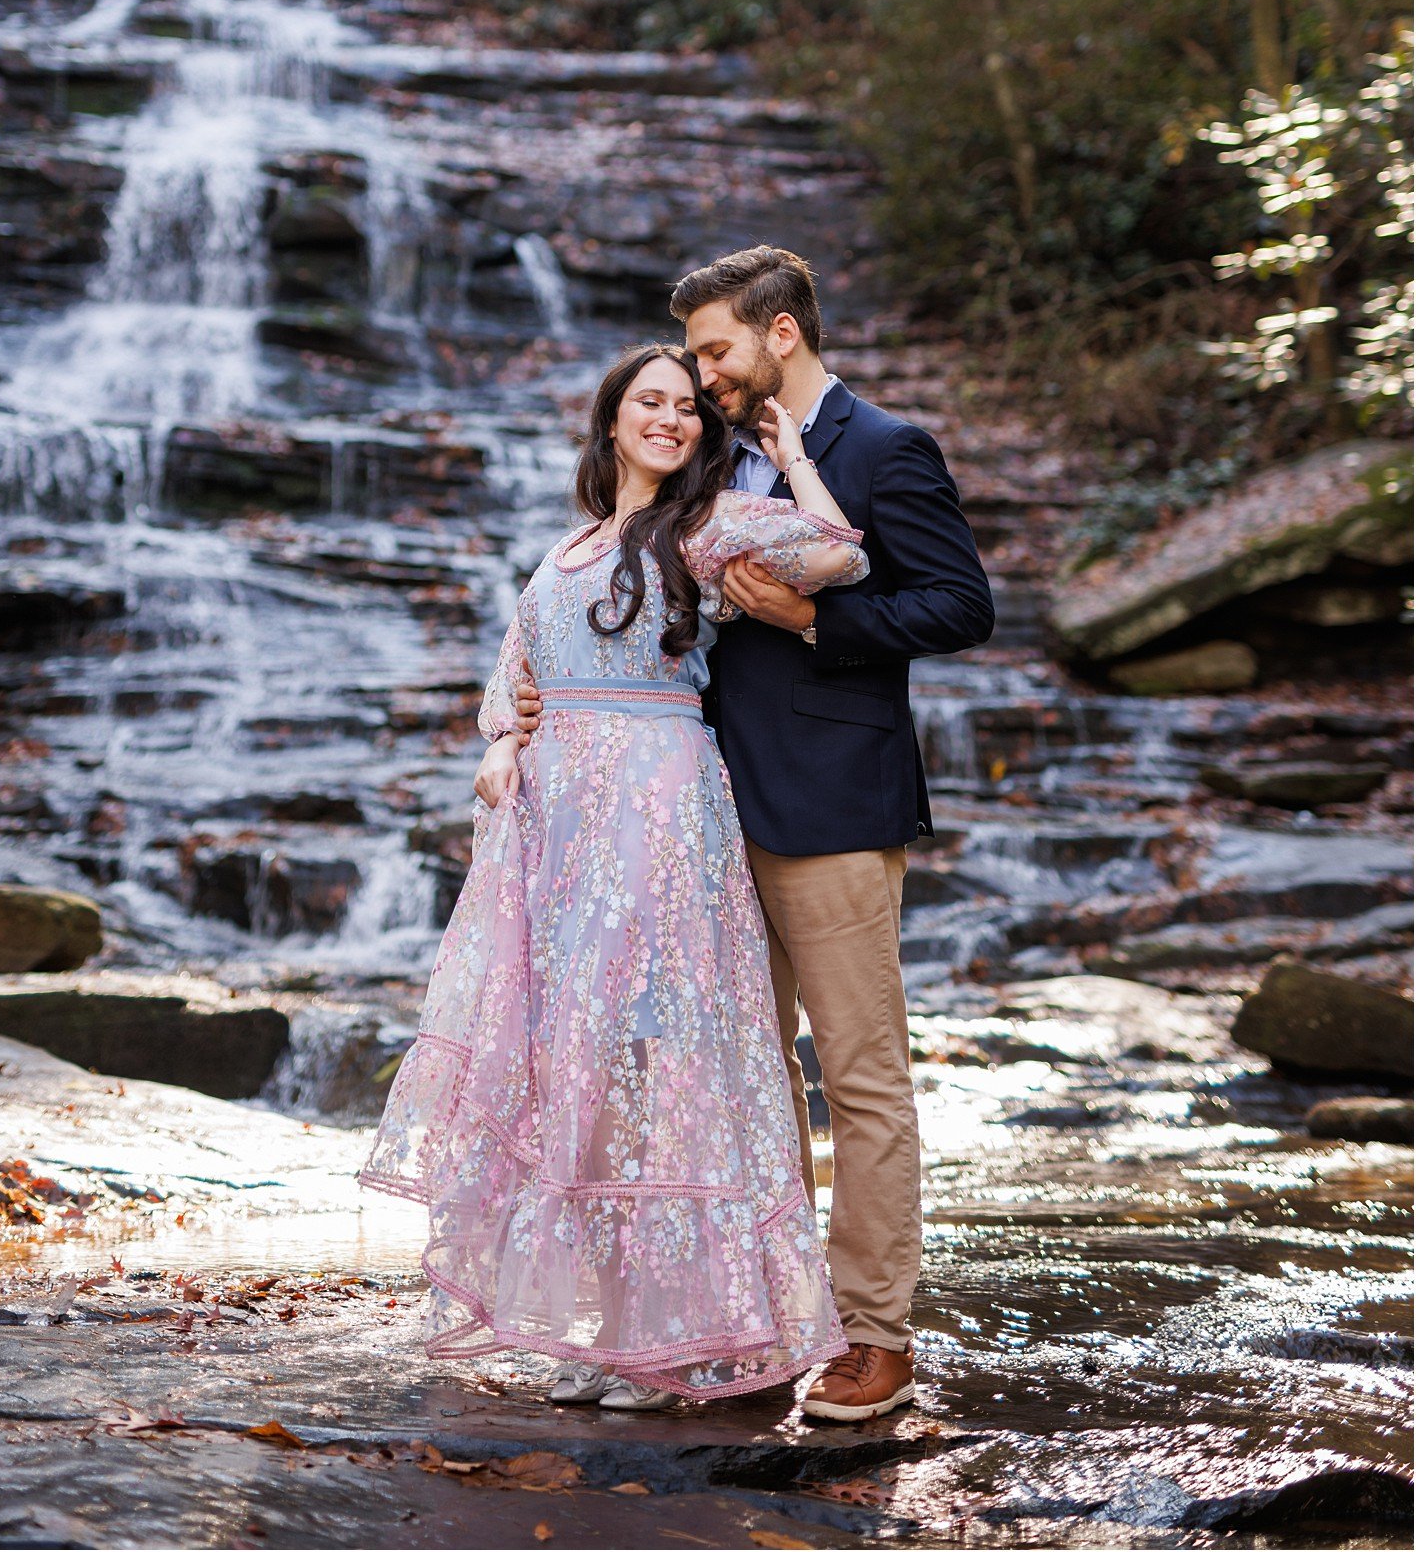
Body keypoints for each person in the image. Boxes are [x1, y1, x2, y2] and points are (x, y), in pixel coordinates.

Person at [519, 249, 996, 1421]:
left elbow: (959, 605)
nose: (702, 375)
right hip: (696, 814)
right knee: (734, 1076)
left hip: (829, 806)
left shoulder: (885, 449)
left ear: (781, 335)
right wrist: (544, 702)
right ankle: (763, 1319)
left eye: (718, 351)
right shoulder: (713, 458)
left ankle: (875, 1335)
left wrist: (817, 622)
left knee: (862, 1077)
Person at [360, 342, 870, 1406]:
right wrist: (501, 749)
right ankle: (612, 1329)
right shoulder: (570, 547)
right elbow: (515, 678)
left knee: (658, 1065)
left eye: (688, 408)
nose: (672, 419)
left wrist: (786, 454)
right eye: (650, 401)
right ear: (610, 422)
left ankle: (686, 1337)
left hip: (658, 809)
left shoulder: (701, 528)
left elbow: (834, 557)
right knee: (580, 1067)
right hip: (561, 827)